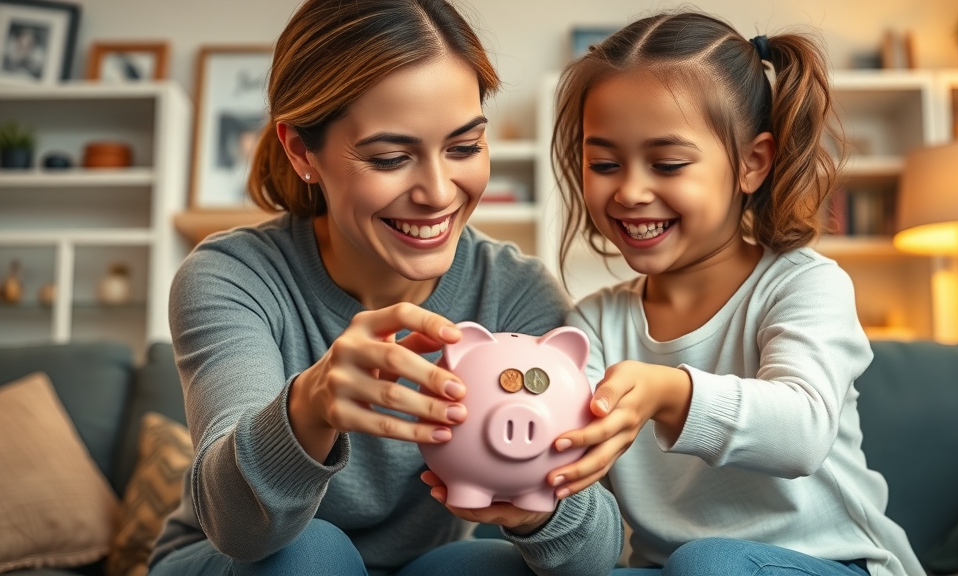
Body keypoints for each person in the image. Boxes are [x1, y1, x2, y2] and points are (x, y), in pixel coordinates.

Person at [148, 1, 622, 575]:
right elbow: (238, 529)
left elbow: (598, 557)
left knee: (483, 565)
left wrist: (538, 508)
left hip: (420, 566)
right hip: (242, 562)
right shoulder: (233, 277)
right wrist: (309, 408)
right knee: (312, 554)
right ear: (302, 152)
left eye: (465, 147)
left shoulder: (515, 295)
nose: (439, 191)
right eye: (391, 157)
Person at [543, 10, 926, 576]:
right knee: (465, 564)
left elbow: (801, 432)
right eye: (604, 163)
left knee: (708, 563)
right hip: (671, 570)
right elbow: (570, 470)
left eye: (667, 163)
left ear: (752, 163)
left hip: (832, 562)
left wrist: (667, 392)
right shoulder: (593, 324)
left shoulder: (804, 284)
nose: (630, 190)